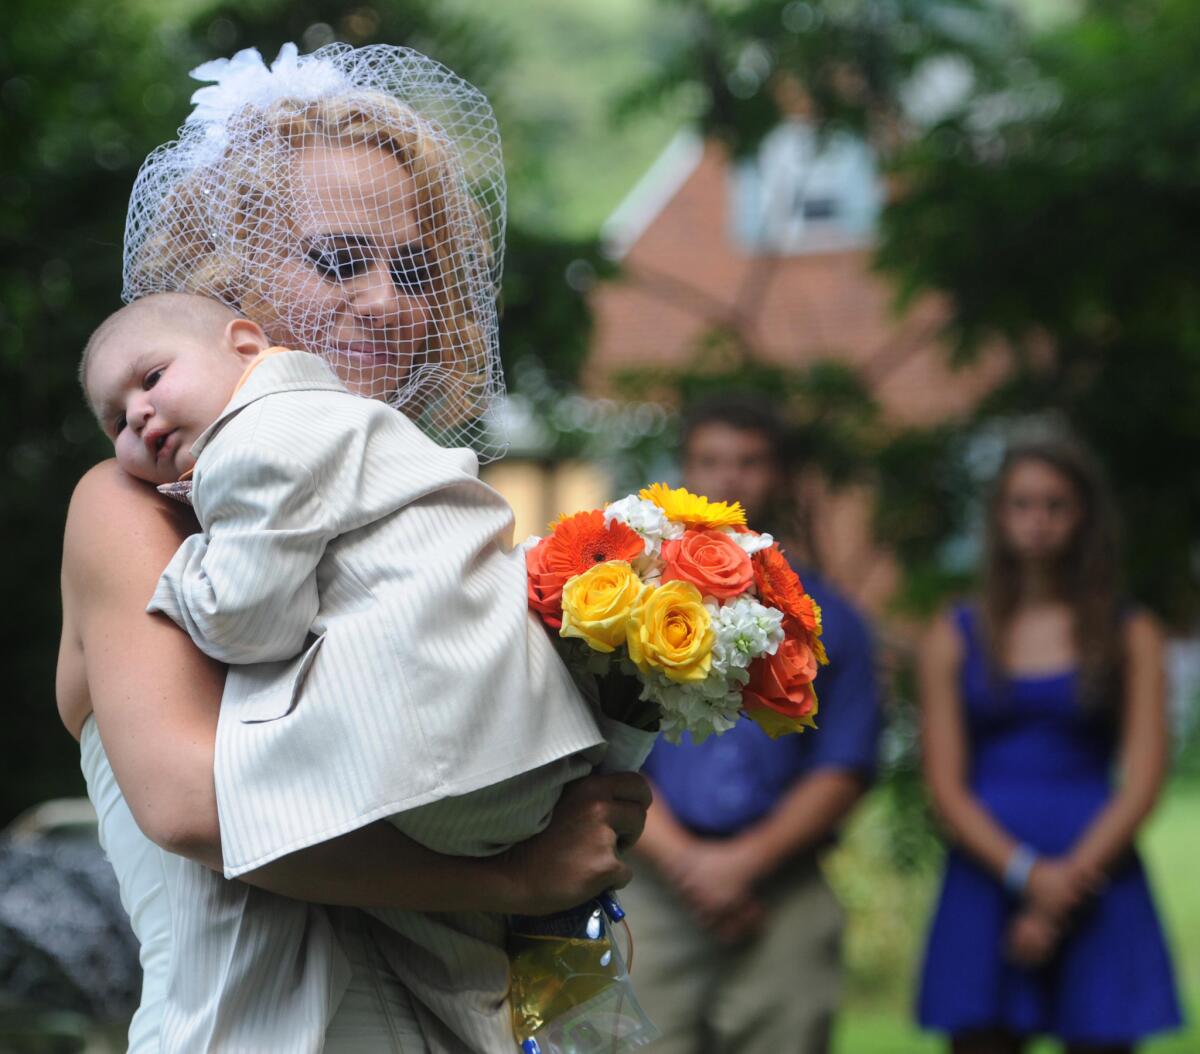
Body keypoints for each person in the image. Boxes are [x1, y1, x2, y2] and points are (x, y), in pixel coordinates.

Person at [58, 42, 652, 1052]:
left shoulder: (446, 518)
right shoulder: (133, 509)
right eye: (340, 259)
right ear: (228, 287)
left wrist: (580, 794)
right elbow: (194, 806)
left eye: (414, 267)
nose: (388, 299)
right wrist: (512, 871)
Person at [619, 394, 883, 1053]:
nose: (729, 478)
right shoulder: (630, 603)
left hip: (784, 884)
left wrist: (742, 865)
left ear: (784, 476)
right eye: (710, 459)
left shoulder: (831, 620)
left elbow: (844, 766)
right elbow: (605, 752)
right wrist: (689, 863)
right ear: (682, 473)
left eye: (750, 461)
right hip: (651, 877)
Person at [916, 428, 1183, 1052]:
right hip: (986, 876)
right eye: (1021, 503)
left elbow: (1143, 781)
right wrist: (1027, 875)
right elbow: (945, 788)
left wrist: (1064, 887)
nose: (1038, 521)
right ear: (998, 515)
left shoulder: (1131, 632)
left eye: (1055, 504)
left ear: (1084, 515)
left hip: (1099, 873)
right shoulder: (953, 633)